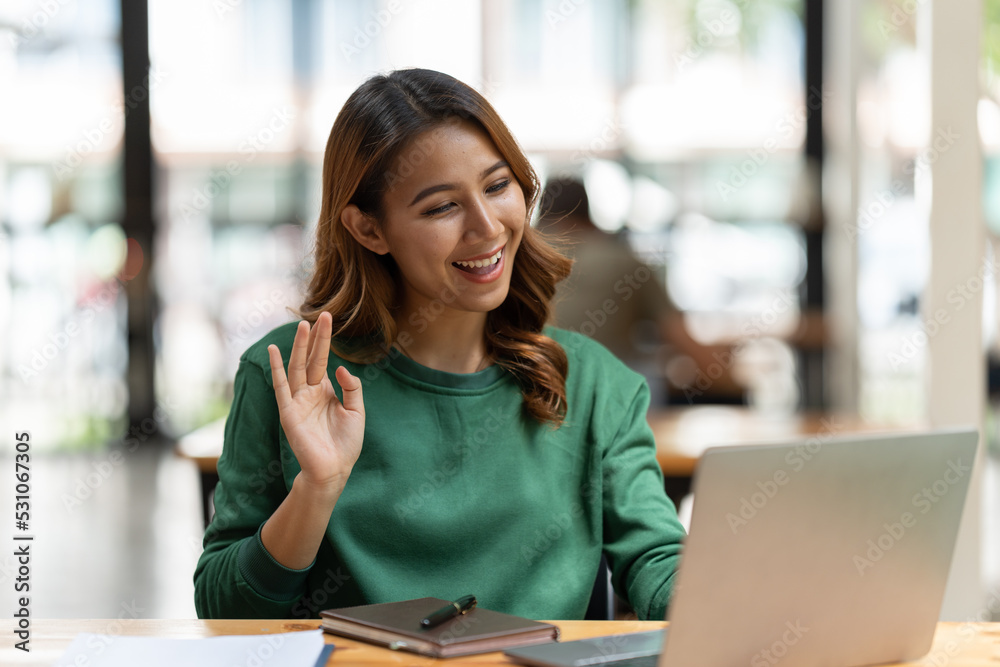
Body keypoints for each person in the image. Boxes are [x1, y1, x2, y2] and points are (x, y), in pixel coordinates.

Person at [193, 69, 685, 622]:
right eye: (440, 207)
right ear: (367, 229)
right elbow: (224, 609)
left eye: (498, 186)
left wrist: (740, 590)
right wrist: (316, 489)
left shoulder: (594, 381)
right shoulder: (289, 373)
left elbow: (655, 559)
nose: (486, 227)